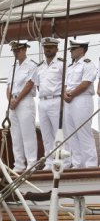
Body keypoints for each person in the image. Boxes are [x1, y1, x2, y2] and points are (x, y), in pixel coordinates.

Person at [64, 39, 98, 168]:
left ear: (81, 49)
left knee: (83, 132)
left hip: (82, 99)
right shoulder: (70, 67)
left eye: (73, 49)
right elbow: (65, 84)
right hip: (69, 100)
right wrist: (64, 94)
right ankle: (77, 164)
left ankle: (90, 164)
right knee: (72, 133)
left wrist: (70, 94)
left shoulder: (88, 64)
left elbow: (86, 83)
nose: (71, 52)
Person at [6, 40, 38, 172]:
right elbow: (8, 87)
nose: (16, 53)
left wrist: (17, 100)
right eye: (14, 51)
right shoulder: (13, 67)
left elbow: (29, 84)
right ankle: (19, 164)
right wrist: (10, 101)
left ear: (25, 49)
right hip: (13, 103)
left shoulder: (32, 65)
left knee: (28, 133)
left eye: (18, 50)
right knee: (16, 135)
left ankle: (31, 163)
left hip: (24, 101)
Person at [35, 37, 65, 170]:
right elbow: (38, 85)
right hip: (43, 101)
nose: (48, 49)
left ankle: (64, 162)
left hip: (56, 100)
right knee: (46, 135)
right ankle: (49, 163)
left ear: (56, 49)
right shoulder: (39, 67)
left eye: (51, 47)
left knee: (60, 133)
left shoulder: (61, 64)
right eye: (46, 47)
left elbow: (65, 84)